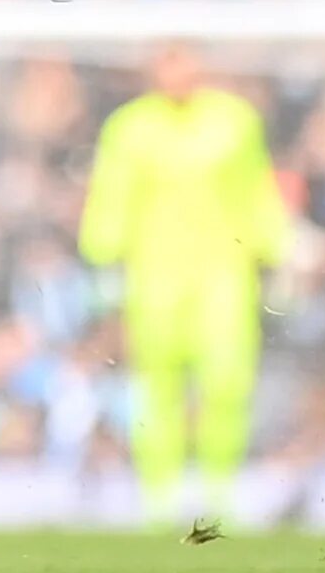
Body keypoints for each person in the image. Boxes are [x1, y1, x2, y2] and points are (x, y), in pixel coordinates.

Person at [80, 46, 295, 527]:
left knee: (227, 382)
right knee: (157, 388)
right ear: (153, 71)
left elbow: (256, 187)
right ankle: (160, 498)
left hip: (224, 274)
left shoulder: (234, 121)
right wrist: (102, 254)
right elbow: (112, 193)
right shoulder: (130, 127)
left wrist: (276, 248)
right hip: (154, 276)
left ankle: (220, 494)